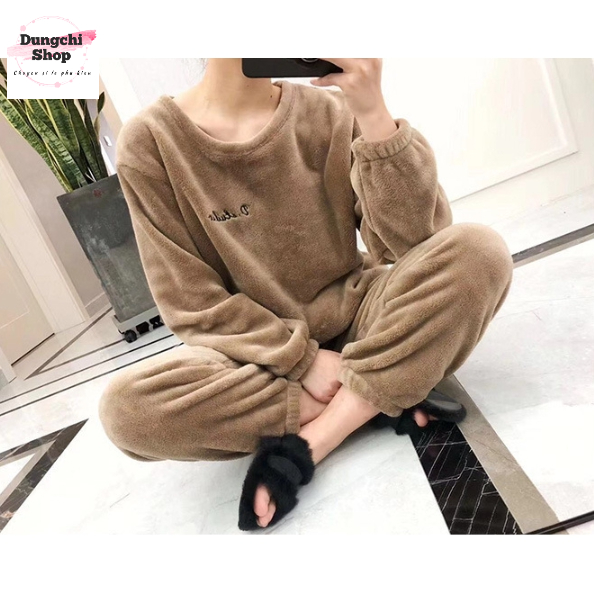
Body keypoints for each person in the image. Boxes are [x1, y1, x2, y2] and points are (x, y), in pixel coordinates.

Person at [98, 58, 514, 531]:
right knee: (128, 412)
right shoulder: (151, 141)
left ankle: (323, 434)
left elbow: (418, 242)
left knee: (480, 252)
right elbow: (192, 304)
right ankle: (383, 389)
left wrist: (374, 114)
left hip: (361, 317)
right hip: (255, 354)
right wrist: (304, 361)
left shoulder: (331, 113)